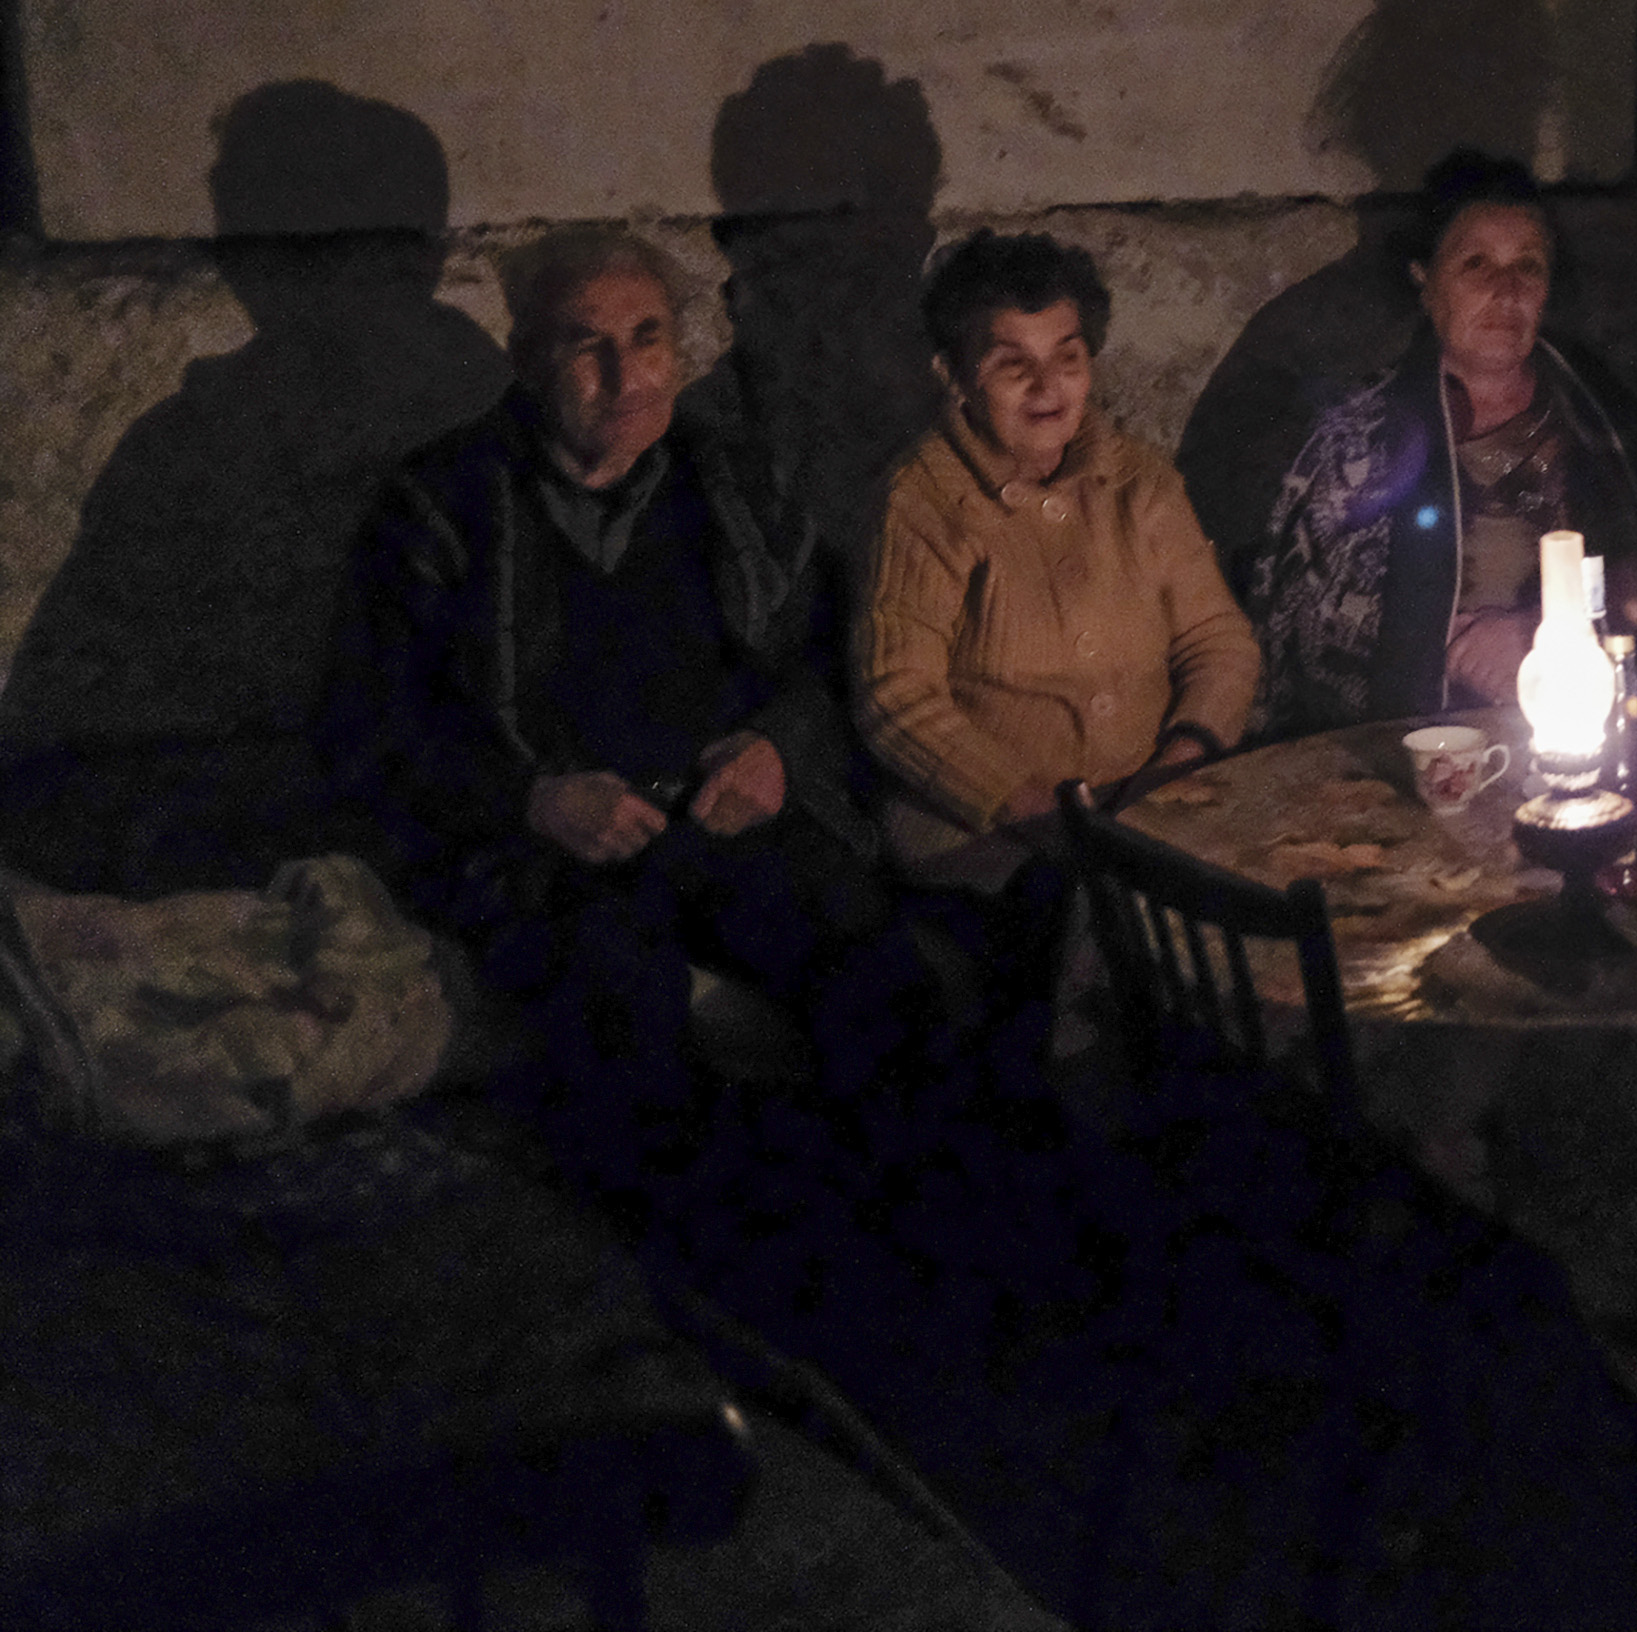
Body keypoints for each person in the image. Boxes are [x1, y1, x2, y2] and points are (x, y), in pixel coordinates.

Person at [319, 229, 992, 1211]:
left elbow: (825, 650)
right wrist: (535, 798)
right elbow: (363, 729)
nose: (622, 373)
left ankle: (901, 1232)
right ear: (525, 359)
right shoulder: (441, 505)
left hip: (723, 815)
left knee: (866, 956)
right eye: (582, 344)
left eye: (646, 336)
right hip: (543, 850)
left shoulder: (731, 482)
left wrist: (774, 749)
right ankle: (678, 1275)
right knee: (618, 1005)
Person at [1243, 150, 1637, 736]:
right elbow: (1311, 646)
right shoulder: (1355, 450)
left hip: (1622, 726)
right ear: (1426, 281)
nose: (1506, 290)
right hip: (1441, 744)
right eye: (1476, 265)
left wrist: (1535, 636)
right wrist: (1451, 648)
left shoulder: (1626, 419)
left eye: (1529, 267)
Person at [855, 230, 1259, 869]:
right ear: (955, 374)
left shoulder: (1141, 482)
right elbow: (896, 695)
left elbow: (1217, 640)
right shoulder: (925, 500)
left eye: (1066, 357)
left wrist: (1177, 768)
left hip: (1148, 810)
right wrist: (1031, 806)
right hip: (991, 838)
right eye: (1012, 363)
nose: (1046, 385)